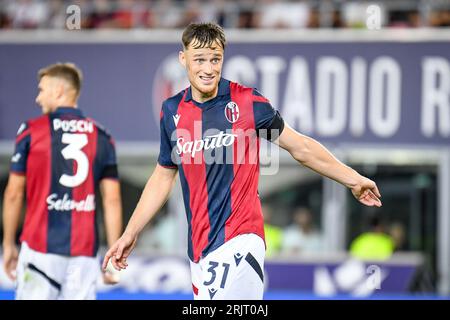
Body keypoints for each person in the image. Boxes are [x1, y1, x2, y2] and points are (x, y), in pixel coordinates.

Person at [103, 22, 382, 300]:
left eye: (215, 59)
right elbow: (164, 174)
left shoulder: (247, 103)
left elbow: (302, 148)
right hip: (200, 250)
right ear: (183, 58)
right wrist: (131, 232)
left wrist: (353, 179)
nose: (208, 69)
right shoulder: (171, 111)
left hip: (242, 237)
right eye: (199, 60)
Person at [2, 62, 123, 300]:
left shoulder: (31, 130)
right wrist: (113, 255)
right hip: (84, 253)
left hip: (39, 249)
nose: (38, 98)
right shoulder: (102, 136)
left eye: (42, 90)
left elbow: (14, 193)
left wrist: (8, 244)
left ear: (58, 91)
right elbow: (112, 199)